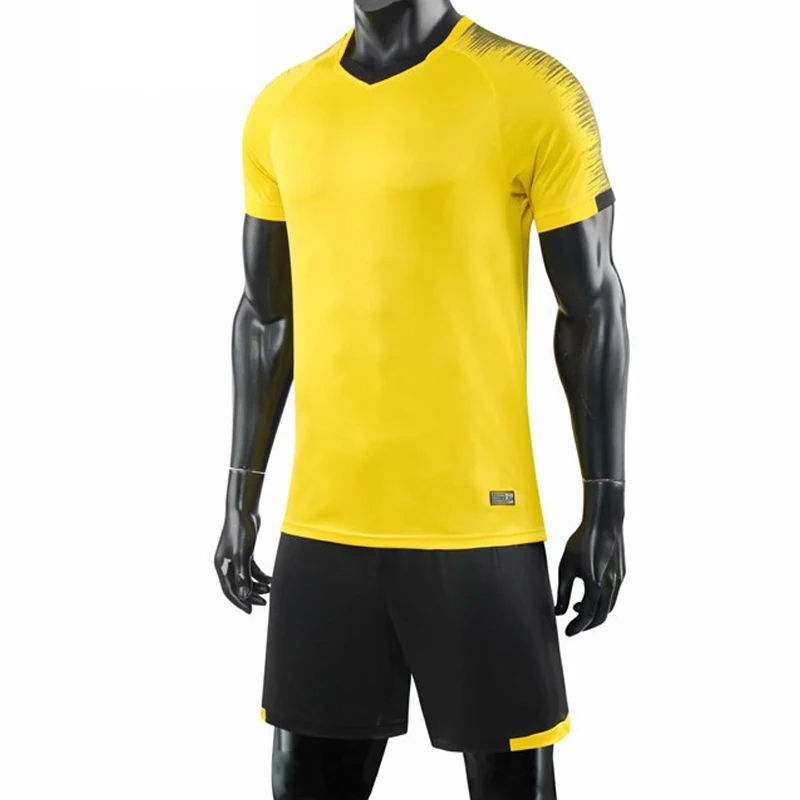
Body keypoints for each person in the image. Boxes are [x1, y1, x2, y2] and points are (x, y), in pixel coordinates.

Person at [215, 2, 629, 797]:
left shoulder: (530, 90)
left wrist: (605, 506)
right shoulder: (283, 107)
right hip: (324, 528)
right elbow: (266, 314)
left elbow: (593, 306)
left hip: (479, 528)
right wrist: (241, 499)